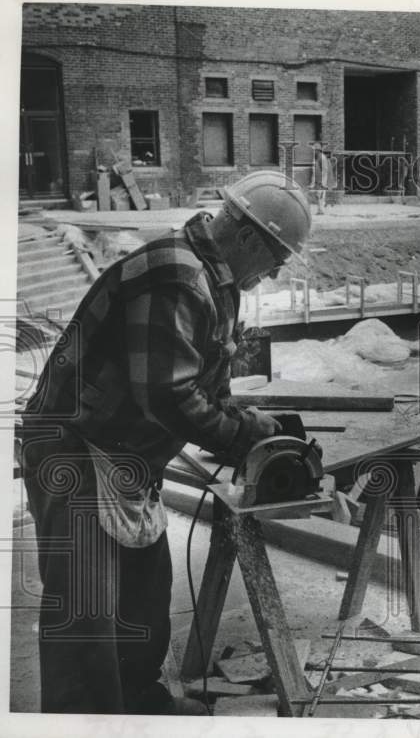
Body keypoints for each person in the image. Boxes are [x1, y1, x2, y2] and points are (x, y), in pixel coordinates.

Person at [18, 170, 312, 715]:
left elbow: (206, 387)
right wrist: (243, 436)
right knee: (85, 614)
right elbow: (169, 395)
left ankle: (141, 705)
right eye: (276, 259)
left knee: (145, 590)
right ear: (248, 238)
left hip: (122, 450)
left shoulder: (217, 285)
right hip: (74, 444)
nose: (273, 273)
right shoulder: (177, 276)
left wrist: (246, 421)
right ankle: (83, 723)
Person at [310, 141, 333, 215]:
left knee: (321, 195)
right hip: (317, 180)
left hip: (321, 181)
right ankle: (320, 210)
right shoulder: (316, 158)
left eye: (314, 150)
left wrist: (323, 183)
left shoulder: (322, 158)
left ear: (317, 150)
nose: (313, 152)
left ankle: (321, 210)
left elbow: (325, 171)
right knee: (318, 195)